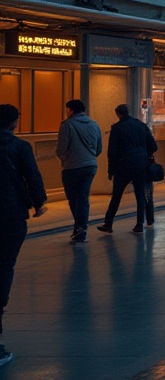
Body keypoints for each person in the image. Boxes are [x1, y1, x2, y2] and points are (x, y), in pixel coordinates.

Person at [0, 104, 46, 366]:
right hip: (10, 215)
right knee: (4, 267)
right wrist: (38, 202)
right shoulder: (19, 147)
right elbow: (32, 176)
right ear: (14, 123)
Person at [97, 104, 156, 234]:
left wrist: (110, 170)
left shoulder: (117, 128)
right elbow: (153, 145)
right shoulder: (141, 125)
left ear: (118, 114)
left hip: (123, 165)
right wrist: (143, 154)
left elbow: (112, 152)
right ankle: (140, 224)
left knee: (117, 195)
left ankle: (108, 223)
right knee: (140, 194)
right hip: (141, 163)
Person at [56, 99, 100, 244]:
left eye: (66, 109)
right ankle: (81, 227)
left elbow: (61, 148)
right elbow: (99, 148)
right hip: (90, 166)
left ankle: (79, 227)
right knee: (83, 197)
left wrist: (63, 158)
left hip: (72, 166)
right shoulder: (94, 124)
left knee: (73, 198)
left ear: (71, 110)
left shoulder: (67, 125)